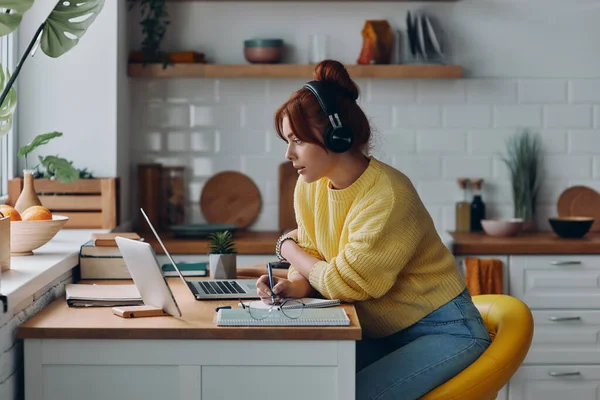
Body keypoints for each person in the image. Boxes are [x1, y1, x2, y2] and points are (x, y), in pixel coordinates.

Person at [255, 59, 491, 400]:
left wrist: (286, 247)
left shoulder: (388, 195)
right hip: (381, 332)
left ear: (335, 136)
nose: (289, 154)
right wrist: (294, 283)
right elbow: (315, 253)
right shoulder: (310, 185)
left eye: (297, 140)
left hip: (445, 331)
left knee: (359, 395)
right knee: (312, 381)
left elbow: (343, 283)